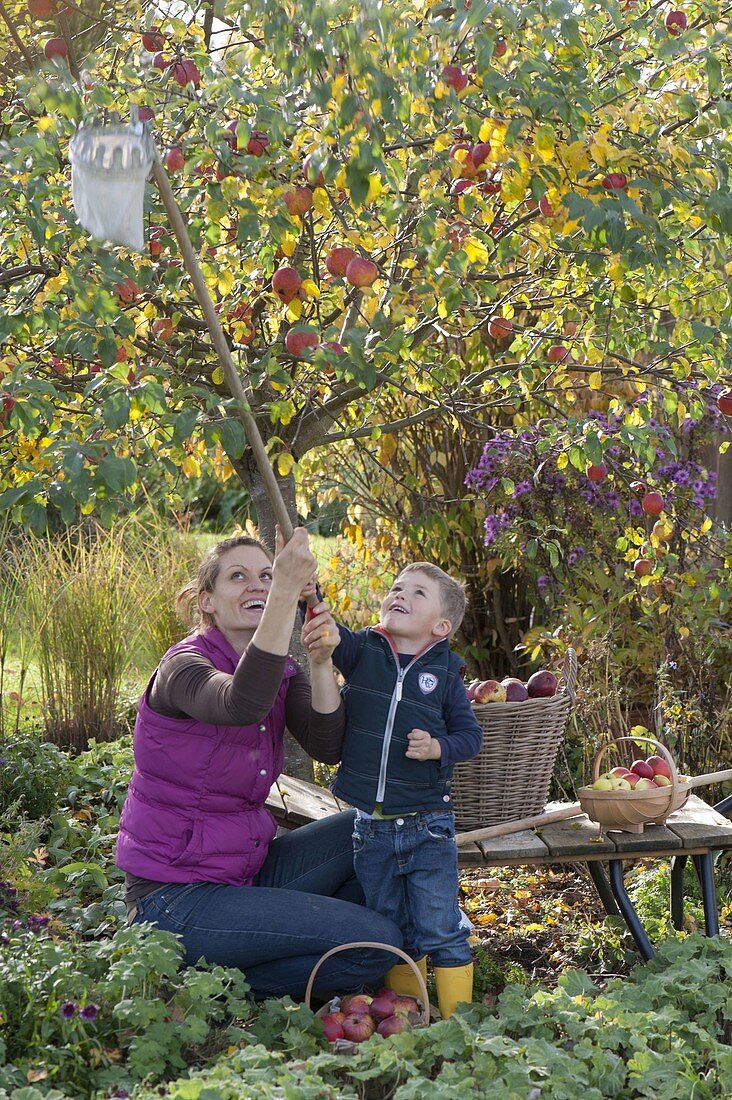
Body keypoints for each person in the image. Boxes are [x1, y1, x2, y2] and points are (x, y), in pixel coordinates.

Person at [115, 527, 402, 1000]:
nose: (257, 585)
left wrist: (320, 660)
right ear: (207, 601)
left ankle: (298, 941)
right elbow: (239, 703)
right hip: (174, 901)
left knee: (373, 827)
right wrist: (285, 592)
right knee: (378, 943)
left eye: (267, 576)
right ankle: (214, 990)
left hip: (242, 874)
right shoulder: (183, 668)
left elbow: (327, 745)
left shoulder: (281, 669)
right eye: (238, 577)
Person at [306, 562, 483, 1018]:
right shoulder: (363, 649)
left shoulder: (445, 675)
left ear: (441, 627)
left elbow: (470, 737)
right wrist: (310, 595)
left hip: (427, 824)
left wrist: (437, 747)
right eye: (397, 587)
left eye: (418, 593)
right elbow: (327, 629)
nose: (400, 594)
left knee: (439, 924)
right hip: (371, 829)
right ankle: (410, 1012)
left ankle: (457, 1022)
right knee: (392, 926)